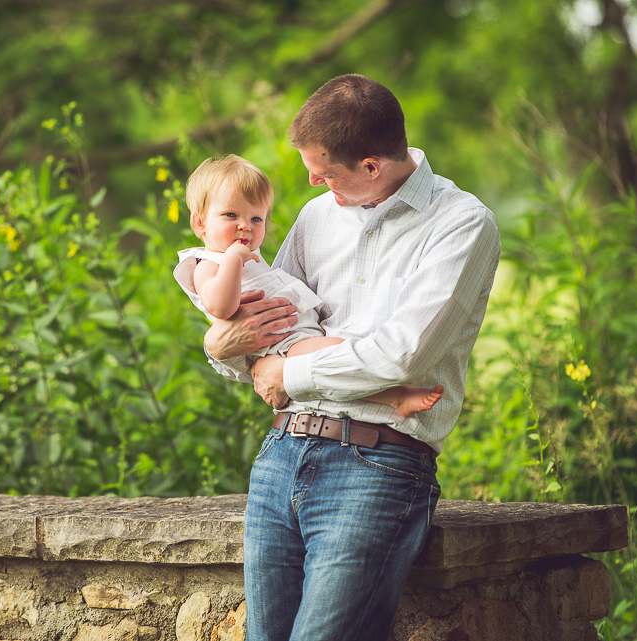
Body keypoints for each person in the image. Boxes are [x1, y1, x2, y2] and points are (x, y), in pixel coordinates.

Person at [203, 75, 501, 641]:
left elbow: (402, 355)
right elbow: (265, 318)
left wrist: (285, 371)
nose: (312, 181)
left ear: (371, 165)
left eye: (324, 171)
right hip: (281, 452)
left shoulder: (460, 223)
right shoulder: (318, 216)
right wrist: (221, 348)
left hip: (376, 465)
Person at [174, 154, 443, 418]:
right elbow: (220, 306)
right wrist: (232, 259)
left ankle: (391, 395)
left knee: (333, 357)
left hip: (292, 337)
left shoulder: (240, 257)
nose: (245, 226)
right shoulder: (206, 264)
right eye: (231, 215)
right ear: (200, 223)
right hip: (281, 345)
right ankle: (395, 397)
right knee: (336, 351)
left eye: (256, 219)